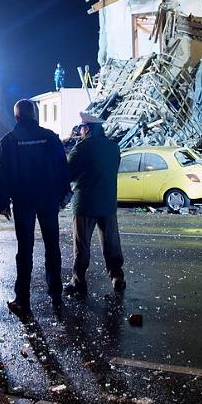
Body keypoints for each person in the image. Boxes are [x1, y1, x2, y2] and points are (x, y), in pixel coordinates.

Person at [0, 99, 70, 316]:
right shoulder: (50, 137)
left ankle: (22, 299)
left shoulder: (9, 141)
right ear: (35, 115)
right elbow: (61, 166)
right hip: (48, 199)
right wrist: (63, 192)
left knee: (25, 250)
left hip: (23, 201)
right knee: (52, 246)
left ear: (17, 117)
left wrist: (3, 202)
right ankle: (56, 293)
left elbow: (2, 174)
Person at [64, 112, 125, 297]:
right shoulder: (113, 147)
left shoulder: (82, 148)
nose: (80, 131)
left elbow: (68, 173)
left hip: (85, 204)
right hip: (107, 202)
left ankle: (78, 280)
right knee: (111, 242)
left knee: (82, 245)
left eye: (82, 128)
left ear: (87, 128)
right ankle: (117, 277)